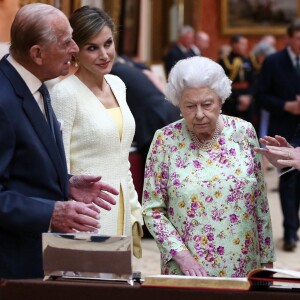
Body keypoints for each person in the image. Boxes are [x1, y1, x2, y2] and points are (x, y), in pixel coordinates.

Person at [0, 3, 119, 279]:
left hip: (41, 258)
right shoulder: (3, 100)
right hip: (11, 267)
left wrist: (66, 183)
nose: (75, 49)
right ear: (37, 54)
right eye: (67, 42)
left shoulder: (37, 83)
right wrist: (50, 212)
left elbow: (25, 166)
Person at [142, 56, 275, 277]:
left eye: (207, 104)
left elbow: (260, 201)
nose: (200, 114)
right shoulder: (165, 140)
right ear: (178, 104)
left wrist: (267, 260)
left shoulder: (244, 132)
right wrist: (182, 257)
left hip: (243, 265)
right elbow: (152, 210)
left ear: (220, 100)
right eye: (190, 106)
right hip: (187, 269)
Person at [51, 6, 143, 258]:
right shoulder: (65, 93)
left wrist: (134, 208)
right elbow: (58, 164)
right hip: (85, 215)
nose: (104, 55)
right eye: (92, 47)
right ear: (75, 50)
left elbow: (121, 155)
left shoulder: (118, 84)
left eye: (108, 43)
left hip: (122, 208)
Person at [256, 18, 300, 251]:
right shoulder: (274, 62)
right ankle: (291, 232)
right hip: (284, 130)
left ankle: (295, 225)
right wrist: (286, 105)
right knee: (288, 181)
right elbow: (261, 95)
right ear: (290, 39)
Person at [111, 54, 181, 165]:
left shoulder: (112, 74)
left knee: (158, 170)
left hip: (152, 119)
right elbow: (150, 74)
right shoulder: (129, 66)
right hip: (167, 110)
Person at [218, 34, 255, 126]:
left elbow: (254, 81)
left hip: (248, 101)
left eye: (245, 44)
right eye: (242, 44)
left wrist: (249, 97)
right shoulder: (224, 61)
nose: (245, 47)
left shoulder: (248, 60)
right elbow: (221, 84)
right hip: (231, 102)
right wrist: (238, 98)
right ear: (234, 45)